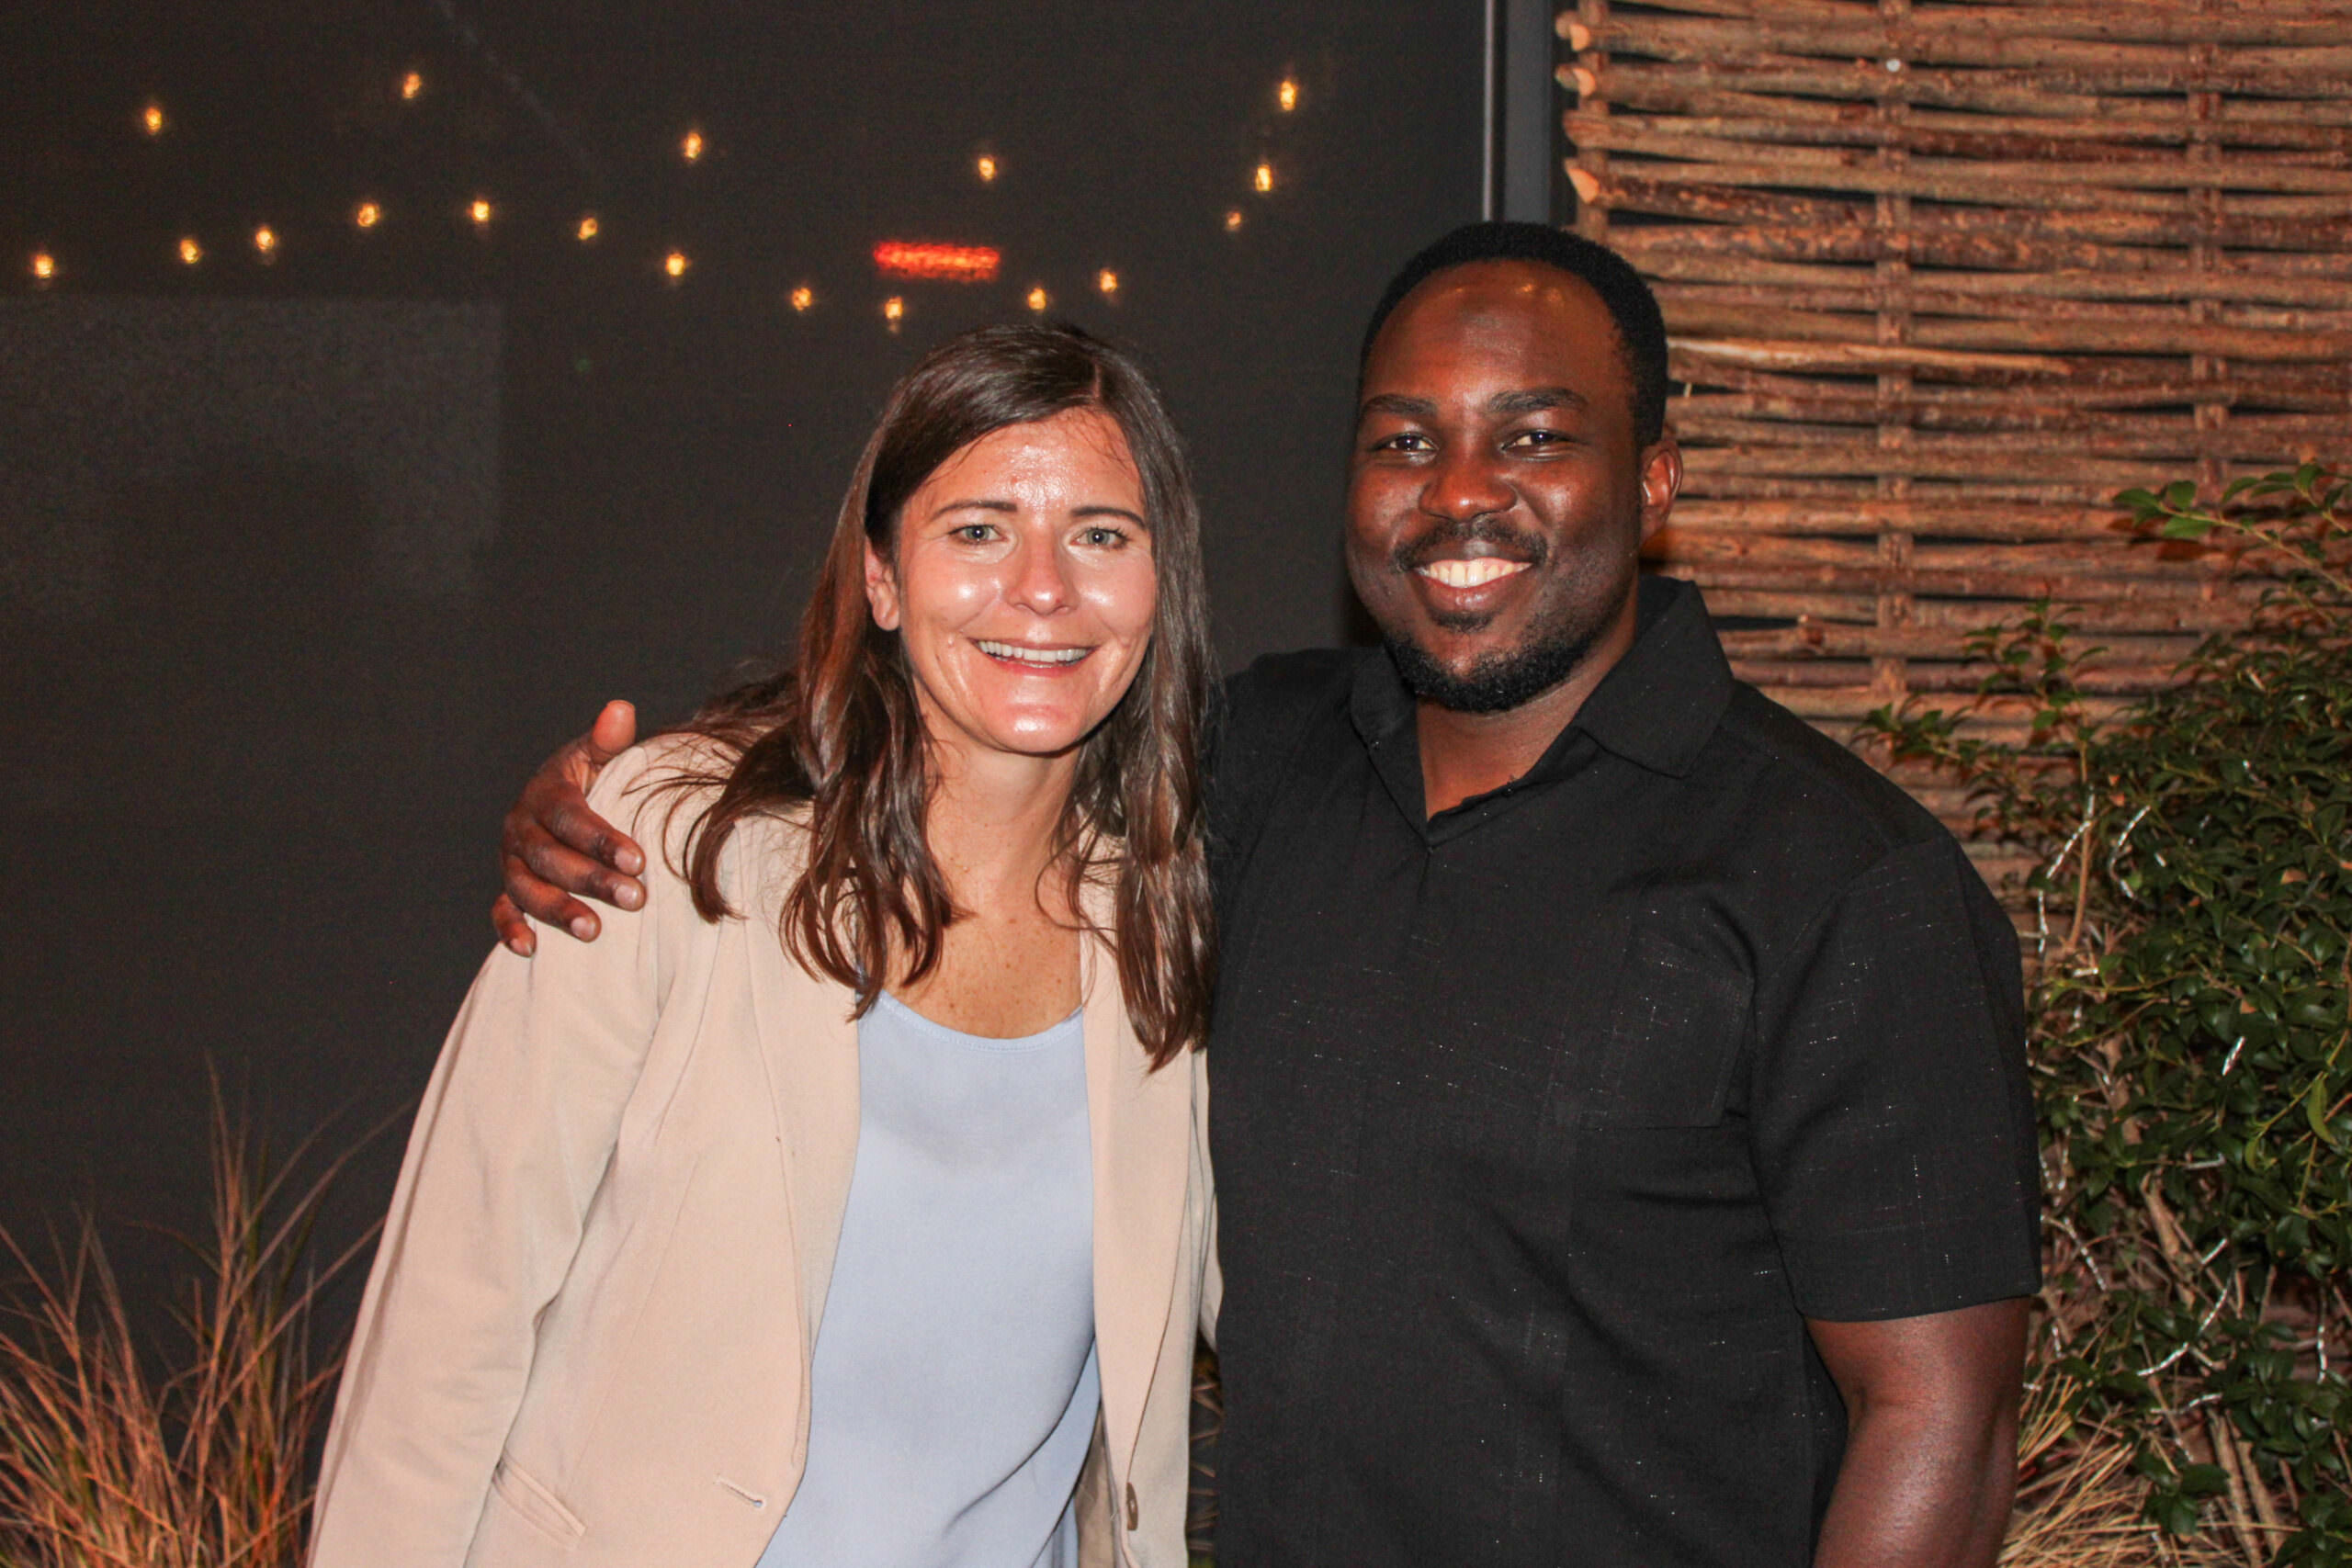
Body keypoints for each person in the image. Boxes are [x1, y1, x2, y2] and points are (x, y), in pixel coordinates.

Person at [495, 223, 2041, 1567]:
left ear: (1652, 479)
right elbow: (973, 736)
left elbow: (1940, 1424)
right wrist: (645, 798)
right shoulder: (1257, 766)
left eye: (1532, 436)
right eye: (1404, 439)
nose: (1460, 494)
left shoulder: (1843, 883)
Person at [311, 323, 1218, 1568]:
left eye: (1103, 534)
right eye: (977, 529)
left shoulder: (1174, 922)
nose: (1045, 585)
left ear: (1160, 581)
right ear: (884, 579)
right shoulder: (680, 845)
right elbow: (449, 1319)